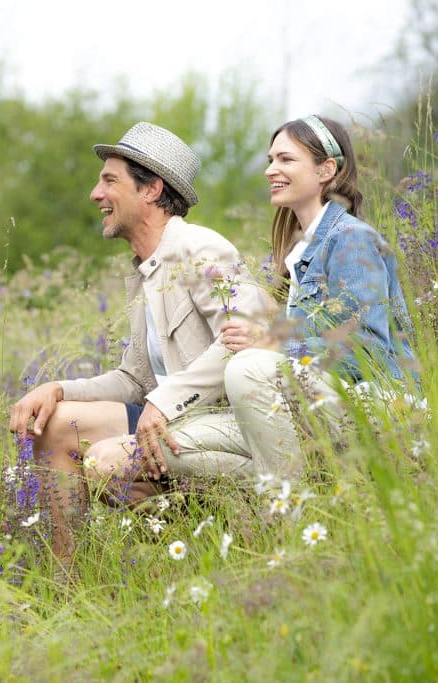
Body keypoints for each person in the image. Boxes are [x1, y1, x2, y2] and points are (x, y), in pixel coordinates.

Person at [86, 115, 417, 506]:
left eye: (286, 160)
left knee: (248, 367)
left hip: (377, 408)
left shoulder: (352, 240)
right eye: (270, 159)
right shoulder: (296, 254)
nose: (270, 169)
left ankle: (291, 514)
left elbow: (370, 350)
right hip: (308, 409)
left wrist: (276, 342)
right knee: (107, 459)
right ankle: (296, 500)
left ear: (327, 169)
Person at [8, 121, 270, 564]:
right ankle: (65, 581)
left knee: (105, 466)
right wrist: (58, 390)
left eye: (110, 180)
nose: (96, 194)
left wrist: (166, 401)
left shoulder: (201, 249)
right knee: (55, 425)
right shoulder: (145, 268)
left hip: (217, 424)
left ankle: (218, 539)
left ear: (151, 190)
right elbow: (135, 378)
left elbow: (243, 342)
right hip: (165, 420)